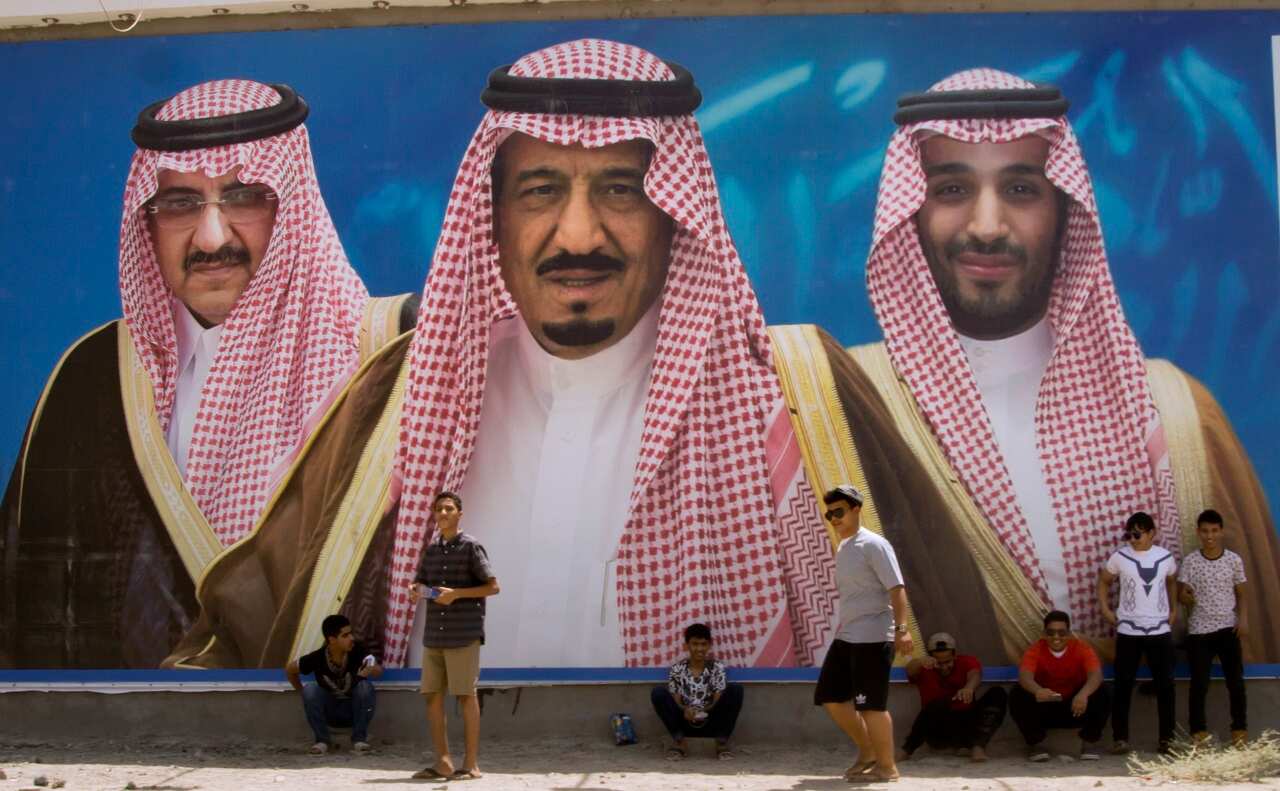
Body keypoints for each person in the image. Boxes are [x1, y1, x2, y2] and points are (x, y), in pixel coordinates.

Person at [163, 38, 837, 671]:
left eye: (620, 189)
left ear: (674, 215)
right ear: (492, 218)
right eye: (540, 189)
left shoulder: (778, 425)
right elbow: (259, 628)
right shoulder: (392, 410)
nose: (578, 233)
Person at [768, 67, 1280, 664]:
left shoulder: (1178, 415)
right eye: (952, 190)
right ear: (911, 212)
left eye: (1020, 189)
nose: (986, 228)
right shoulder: (838, 405)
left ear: (1065, 210)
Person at [0, 79, 414, 669]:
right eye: (180, 203)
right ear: (147, 220)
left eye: (244, 195)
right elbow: (34, 609)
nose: (212, 237)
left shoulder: (394, 358)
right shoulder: (89, 378)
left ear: (291, 205)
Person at [815, 485, 913, 784]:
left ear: (856, 509)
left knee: (871, 706)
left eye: (839, 511)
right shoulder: (845, 546)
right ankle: (868, 751)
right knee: (830, 697)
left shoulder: (874, 544)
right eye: (829, 513)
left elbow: (896, 589)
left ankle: (888, 767)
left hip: (874, 636)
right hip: (848, 636)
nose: (834, 518)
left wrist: (902, 630)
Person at [409, 492, 499, 782]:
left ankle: (471, 765)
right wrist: (416, 590)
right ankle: (443, 762)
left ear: (460, 513)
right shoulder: (432, 550)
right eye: (439, 509)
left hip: (463, 635)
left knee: (465, 696)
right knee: (432, 698)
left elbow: (493, 587)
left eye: (449, 508)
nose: (443, 513)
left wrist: (457, 594)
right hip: (434, 635)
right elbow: (421, 582)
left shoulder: (472, 547)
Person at [1098, 511, 1177, 754]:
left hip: (1159, 629)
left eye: (1137, 533)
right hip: (1128, 630)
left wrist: (1173, 611)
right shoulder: (1119, 557)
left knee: (1165, 686)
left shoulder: (1165, 557)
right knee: (1123, 685)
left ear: (1152, 533)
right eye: (1129, 534)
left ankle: (1167, 739)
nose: (1132, 538)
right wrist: (1106, 610)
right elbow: (1104, 582)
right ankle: (1120, 738)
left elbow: (1172, 582)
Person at [1178, 508, 1248, 747]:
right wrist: (1184, 596)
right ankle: (1198, 733)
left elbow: (1241, 593)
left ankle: (1239, 731)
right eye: (1205, 531)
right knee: (1199, 684)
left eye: (1214, 531)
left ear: (1221, 532)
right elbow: (1182, 593)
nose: (1210, 536)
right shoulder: (1190, 561)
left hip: (1228, 627)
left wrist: (1244, 618)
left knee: (1235, 682)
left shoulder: (1233, 560)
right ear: (1198, 533)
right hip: (1199, 630)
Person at [1009, 610, 1110, 762]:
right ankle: (1036, 744)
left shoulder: (1082, 648)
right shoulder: (1035, 650)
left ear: (1069, 633)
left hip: (1076, 708)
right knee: (1017, 693)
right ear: (1044, 634)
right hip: (1047, 708)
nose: (1056, 637)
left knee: (1104, 691)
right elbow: (1024, 676)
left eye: (1061, 633)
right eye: (1051, 633)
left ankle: (1089, 742)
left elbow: (1096, 675)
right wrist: (1038, 690)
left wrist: (1083, 694)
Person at [898, 632, 1006, 763]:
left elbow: (975, 674)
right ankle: (907, 750)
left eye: (947, 661)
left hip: (967, 726)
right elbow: (910, 670)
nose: (944, 666)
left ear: (955, 655)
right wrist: (921, 661)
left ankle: (977, 746)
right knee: (937, 704)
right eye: (939, 662)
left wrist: (969, 688)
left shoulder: (966, 661)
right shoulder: (924, 667)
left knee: (997, 693)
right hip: (938, 730)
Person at [286, 614, 382, 755]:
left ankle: (359, 740)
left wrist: (371, 668)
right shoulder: (318, 657)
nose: (352, 638)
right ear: (332, 640)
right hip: (329, 712)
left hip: (353, 710)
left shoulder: (358, 651)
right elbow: (290, 669)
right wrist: (302, 693)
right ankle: (322, 741)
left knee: (365, 687)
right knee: (310, 689)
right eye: (345, 635)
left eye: (351, 633)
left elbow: (378, 670)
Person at [650, 623, 744, 761]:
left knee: (736, 690)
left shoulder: (717, 668)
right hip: (684, 722)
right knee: (658, 693)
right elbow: (677, 701)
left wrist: (703, 711)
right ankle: (680, 744)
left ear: (709, 646)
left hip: (711, 720)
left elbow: (717, 699)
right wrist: (685, 710)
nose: (699, 649)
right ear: (687, 645)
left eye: (703, 644)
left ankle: (721, 744)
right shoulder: (677, 669)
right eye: (694, 644)